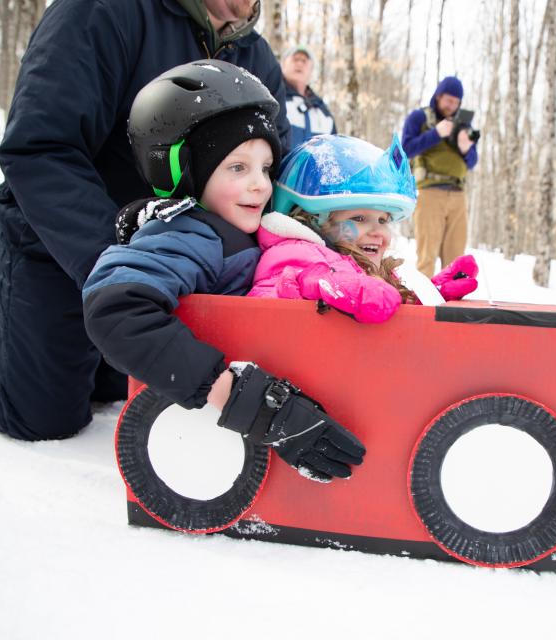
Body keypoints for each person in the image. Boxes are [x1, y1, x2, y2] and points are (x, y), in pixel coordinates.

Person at [0, 0, 291, 440]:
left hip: (178, 263)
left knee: (119, 380)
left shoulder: (255, 56)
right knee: (44, 413)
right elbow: (39, 147)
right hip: (64, 239)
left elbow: (273, 178)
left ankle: (28, 329)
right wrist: (118, 267)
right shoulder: (103, 11)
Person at [83, 60, 364, 483]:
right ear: (185, 172)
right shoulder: (190, 234)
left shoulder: (247, 230)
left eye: (266, 168)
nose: (260, 185)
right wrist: (244, 400)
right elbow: (114, 307)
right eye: (238, 167)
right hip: (202, 422)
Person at [250, 134, 479, 318]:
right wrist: (310, 284)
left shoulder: (367, 266)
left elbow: (383, 308)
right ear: (312, 220)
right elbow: (262, 304)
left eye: (383, 220)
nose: (378, 232)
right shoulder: (294, 254)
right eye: (359, 218)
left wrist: (425, 295)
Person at [401, 76, 479, 278]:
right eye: (448, 100)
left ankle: (452, 308)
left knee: (455, 263)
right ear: (438, 97)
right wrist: (436, 133)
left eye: (455, 102)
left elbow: (472, 161)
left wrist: (465, 148)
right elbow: (406, 149)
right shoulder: (419, 118)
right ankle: (424, 306)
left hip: (458, 195)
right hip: (430, 193)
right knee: (427, 257)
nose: (451, 105)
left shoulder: (463, 126)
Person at [280, 45, 336, 151]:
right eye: (295, 59)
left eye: (304, 61)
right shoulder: (274, 98)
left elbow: (333, 152)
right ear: (283, 64)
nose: (300, 63)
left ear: (311, 70)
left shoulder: (323, 111)